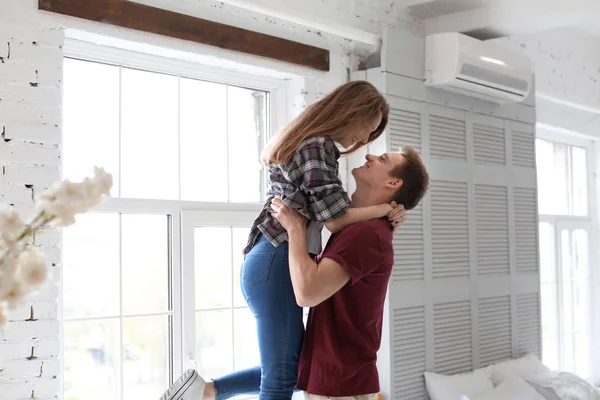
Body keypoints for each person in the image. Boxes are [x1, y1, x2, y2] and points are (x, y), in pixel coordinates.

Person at [160, 81, 404, 400]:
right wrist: (383, 209)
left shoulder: (310, 141)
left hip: (268, 260)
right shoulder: (319, 146)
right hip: (277, 260)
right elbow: (334, 218)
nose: (362, 141)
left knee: (294, 367)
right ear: (351, 112)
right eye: (365, 129)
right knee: (282, 376)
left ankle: (205, 392)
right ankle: (206, 392)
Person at [271, 146, 429, 400]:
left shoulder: (366, 234)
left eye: (382, 159)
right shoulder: (363, 230)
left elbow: (307, 293)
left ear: (393, 182)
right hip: (337, 380)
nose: (369, 156)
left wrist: (296, 229)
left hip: (339, 386)